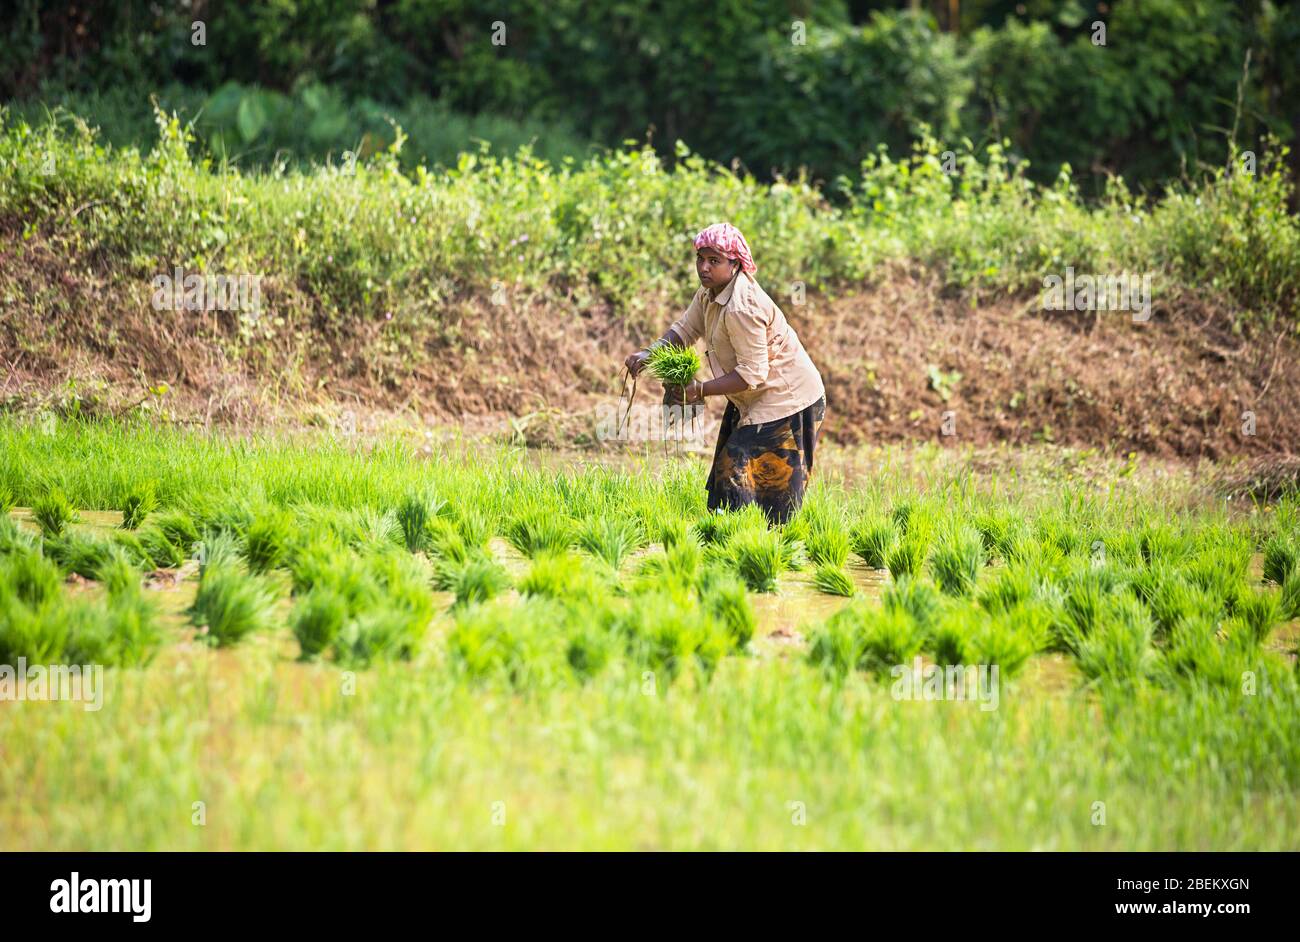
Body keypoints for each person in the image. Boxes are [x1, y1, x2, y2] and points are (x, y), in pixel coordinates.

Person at [624, 222, 827, 525]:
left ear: (735, 265)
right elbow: (685, 330)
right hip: (755, 398)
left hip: (788, 401)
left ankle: (752, 543)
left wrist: (699, 390)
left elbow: (752, 373)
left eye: (714, 261)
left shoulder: (741, 306)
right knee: (730, 474)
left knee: (744, 473)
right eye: (700, 259)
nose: (703, 267)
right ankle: (728, 537)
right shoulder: (709, 294)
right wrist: (648, 353)